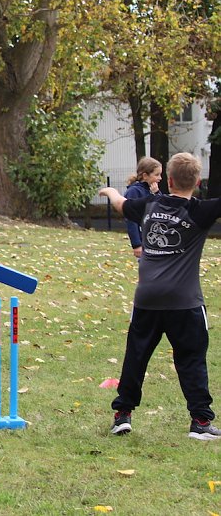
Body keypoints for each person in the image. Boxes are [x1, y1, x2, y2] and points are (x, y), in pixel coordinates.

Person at [99, 152, 221, 440]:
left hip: (147, 300)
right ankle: (201, 423)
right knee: (191, 359)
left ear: (167, 180)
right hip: (185, 302)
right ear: (198, 182)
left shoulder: (150, 204)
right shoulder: (201, 211)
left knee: (136, 357)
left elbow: (120, 204)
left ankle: (123, 416)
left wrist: (110, 190)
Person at [123, 156, 162, 258]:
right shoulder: (134, 192)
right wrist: (136, 244)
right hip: (143, 241)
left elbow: (162, 208)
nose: (160, 178)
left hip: (155, 240)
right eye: (157, 175)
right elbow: (130, 219)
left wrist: (156, 194)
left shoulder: (154, 190)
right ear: (145, 176)